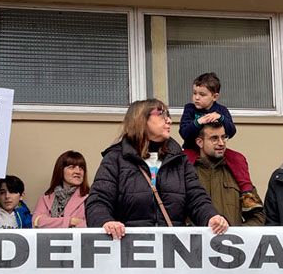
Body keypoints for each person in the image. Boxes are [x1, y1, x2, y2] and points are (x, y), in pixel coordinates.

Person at [86, 98, 228, 239]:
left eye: (168, 116)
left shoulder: (179, 159)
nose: (169, 121)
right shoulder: (115, 159)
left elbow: (197, 198)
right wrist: (105, 222)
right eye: (162, 115)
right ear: (141, 119)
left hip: (171, 252)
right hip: (127, 252)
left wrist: (211, 217)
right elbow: (98, 201)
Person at [178, 72, 260, 215]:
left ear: (215, 96)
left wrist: (221, 118)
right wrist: (199, 122)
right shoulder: (189, 109)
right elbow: (184, 132)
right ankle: (179, 195)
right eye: (194, 93)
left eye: (202, 94)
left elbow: (232, 131)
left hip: (216, 151)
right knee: (181, 161)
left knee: (238, 159)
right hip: (192, 149)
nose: (196, 97)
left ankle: (247, 195)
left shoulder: (221, 110)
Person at [193, 122, 265, 226]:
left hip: (231, 241)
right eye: (214, 138)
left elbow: (259, 217)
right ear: (200, 142)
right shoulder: (188, 173)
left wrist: (237, 233)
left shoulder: (238, 172)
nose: (221, 143)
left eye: (224, 137)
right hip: (195, 241)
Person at [34, 150, 89, 228]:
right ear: (60, 170)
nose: (78, 171)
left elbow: (92, 225)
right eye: (72, 167)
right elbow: (37, 222)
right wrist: (70, 221)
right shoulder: (45, 198)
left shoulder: (91, 197)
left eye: (81, 168)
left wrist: (50, 222)